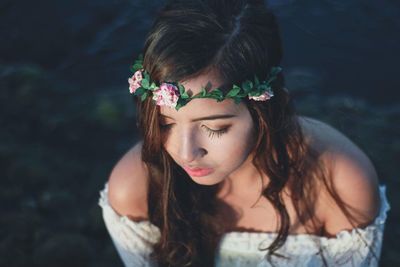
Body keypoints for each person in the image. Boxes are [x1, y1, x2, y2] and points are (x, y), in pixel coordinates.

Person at [98, 0, 390, 266]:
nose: (186, 152)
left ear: (265, 110)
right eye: (166, 124)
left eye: (215, 127)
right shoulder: (133, 190)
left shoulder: (337, 184)